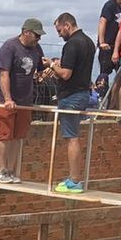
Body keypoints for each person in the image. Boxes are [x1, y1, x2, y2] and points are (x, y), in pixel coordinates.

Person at [0, 19, 46, 183]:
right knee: (5, 135)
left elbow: (40, 69)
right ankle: (2, 170)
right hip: (6, 99)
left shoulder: (37, 49)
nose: (38, 39)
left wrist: (48, 69)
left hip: (25, 100)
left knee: (18, 136)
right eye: (36, 35)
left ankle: (10, 170)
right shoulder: (10, 47)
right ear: (26, 32)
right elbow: (4, 74)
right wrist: (7, 99)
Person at [49, 12, 97, 194]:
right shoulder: (89, 42)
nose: (59, 34)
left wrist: (51, 65)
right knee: (73, 136)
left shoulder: (72, 44)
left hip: (71, 96)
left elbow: (66, 74)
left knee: (72, 138)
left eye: (60, 30)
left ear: (67, 25)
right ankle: (74, 179)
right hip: (83, 93)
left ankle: (74, 180)